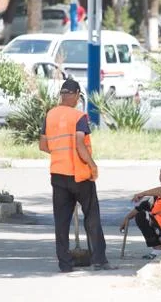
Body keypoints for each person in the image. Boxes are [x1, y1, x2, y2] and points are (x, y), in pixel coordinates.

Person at [39, 79, 116, 272]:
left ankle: (65, 264)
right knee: (91, 216)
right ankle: (99, 259)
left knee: (61, 221)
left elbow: (43, 145)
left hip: (58, 174)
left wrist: (59, 153)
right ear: (75, 95)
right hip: (79, 174)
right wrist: (92, 165)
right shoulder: (79, 116)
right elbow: (80, 144)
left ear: (62, 94)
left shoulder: (49, 115)